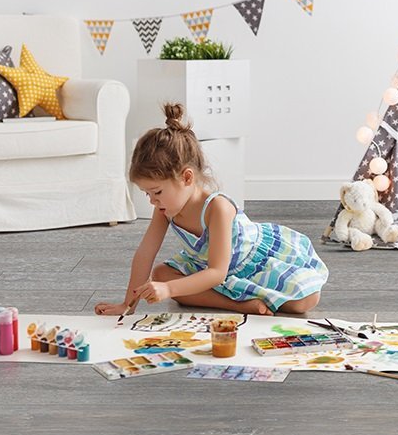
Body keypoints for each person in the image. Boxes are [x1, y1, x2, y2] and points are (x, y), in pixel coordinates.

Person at [95, 103, 328, 317]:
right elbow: (145, 254)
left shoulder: (218, 208)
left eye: (156, 192)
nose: (152, 201)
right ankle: (239, 305)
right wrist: (127, 305)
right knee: (161, 274)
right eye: (147, 194)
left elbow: (217, 272)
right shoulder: (164, 209)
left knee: (306, 301)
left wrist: (170, 289)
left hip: (244, 264)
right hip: (207, 266)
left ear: (187, 178)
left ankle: (244, 296)